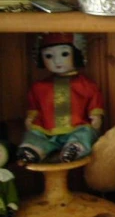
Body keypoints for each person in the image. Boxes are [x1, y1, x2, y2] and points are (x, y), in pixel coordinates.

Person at [17, 33, 104, 165]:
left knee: (85, 134)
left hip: (77, 125)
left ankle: (74, 148)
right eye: (48, 56)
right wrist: (31, 117)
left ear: (76, 54)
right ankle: (32, 150)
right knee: (35, 134)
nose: (57, 61)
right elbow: (34, 105)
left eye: (64, 54)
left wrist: (96, 115)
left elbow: (94, 101)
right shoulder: (39, 87)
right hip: (46, 127)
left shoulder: (86, 85)